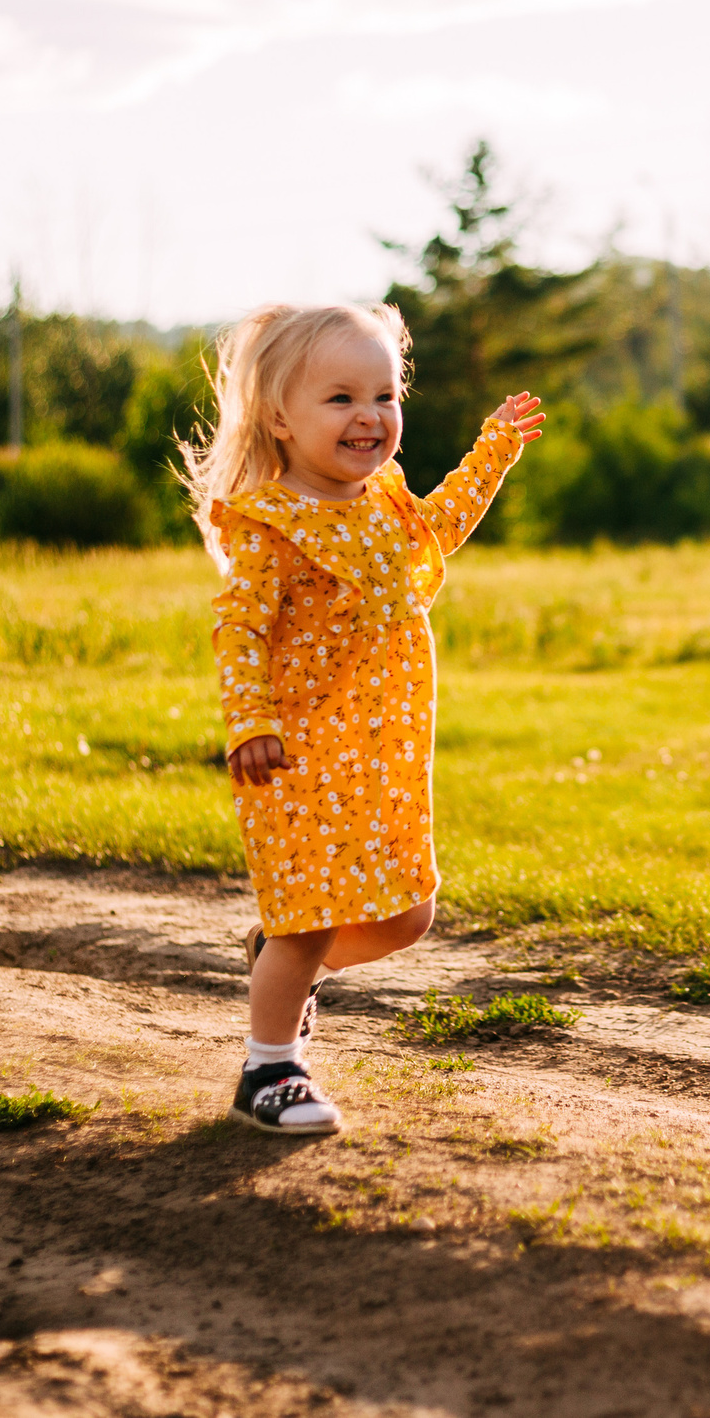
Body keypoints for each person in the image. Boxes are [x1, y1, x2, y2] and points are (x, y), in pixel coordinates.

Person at [180, 301, 543, 1134]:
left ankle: (280, 965)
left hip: (381, 755)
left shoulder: (382, 504)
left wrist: (493, 448)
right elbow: (238, 629)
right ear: (279, 417)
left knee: (408, 913)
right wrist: (249, 721)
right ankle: (269, 1071)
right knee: (306, 922)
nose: (369, 416)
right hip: (298, 758)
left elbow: (442, 525)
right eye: (340, 398)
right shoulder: (272, 525)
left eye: (384, 394)